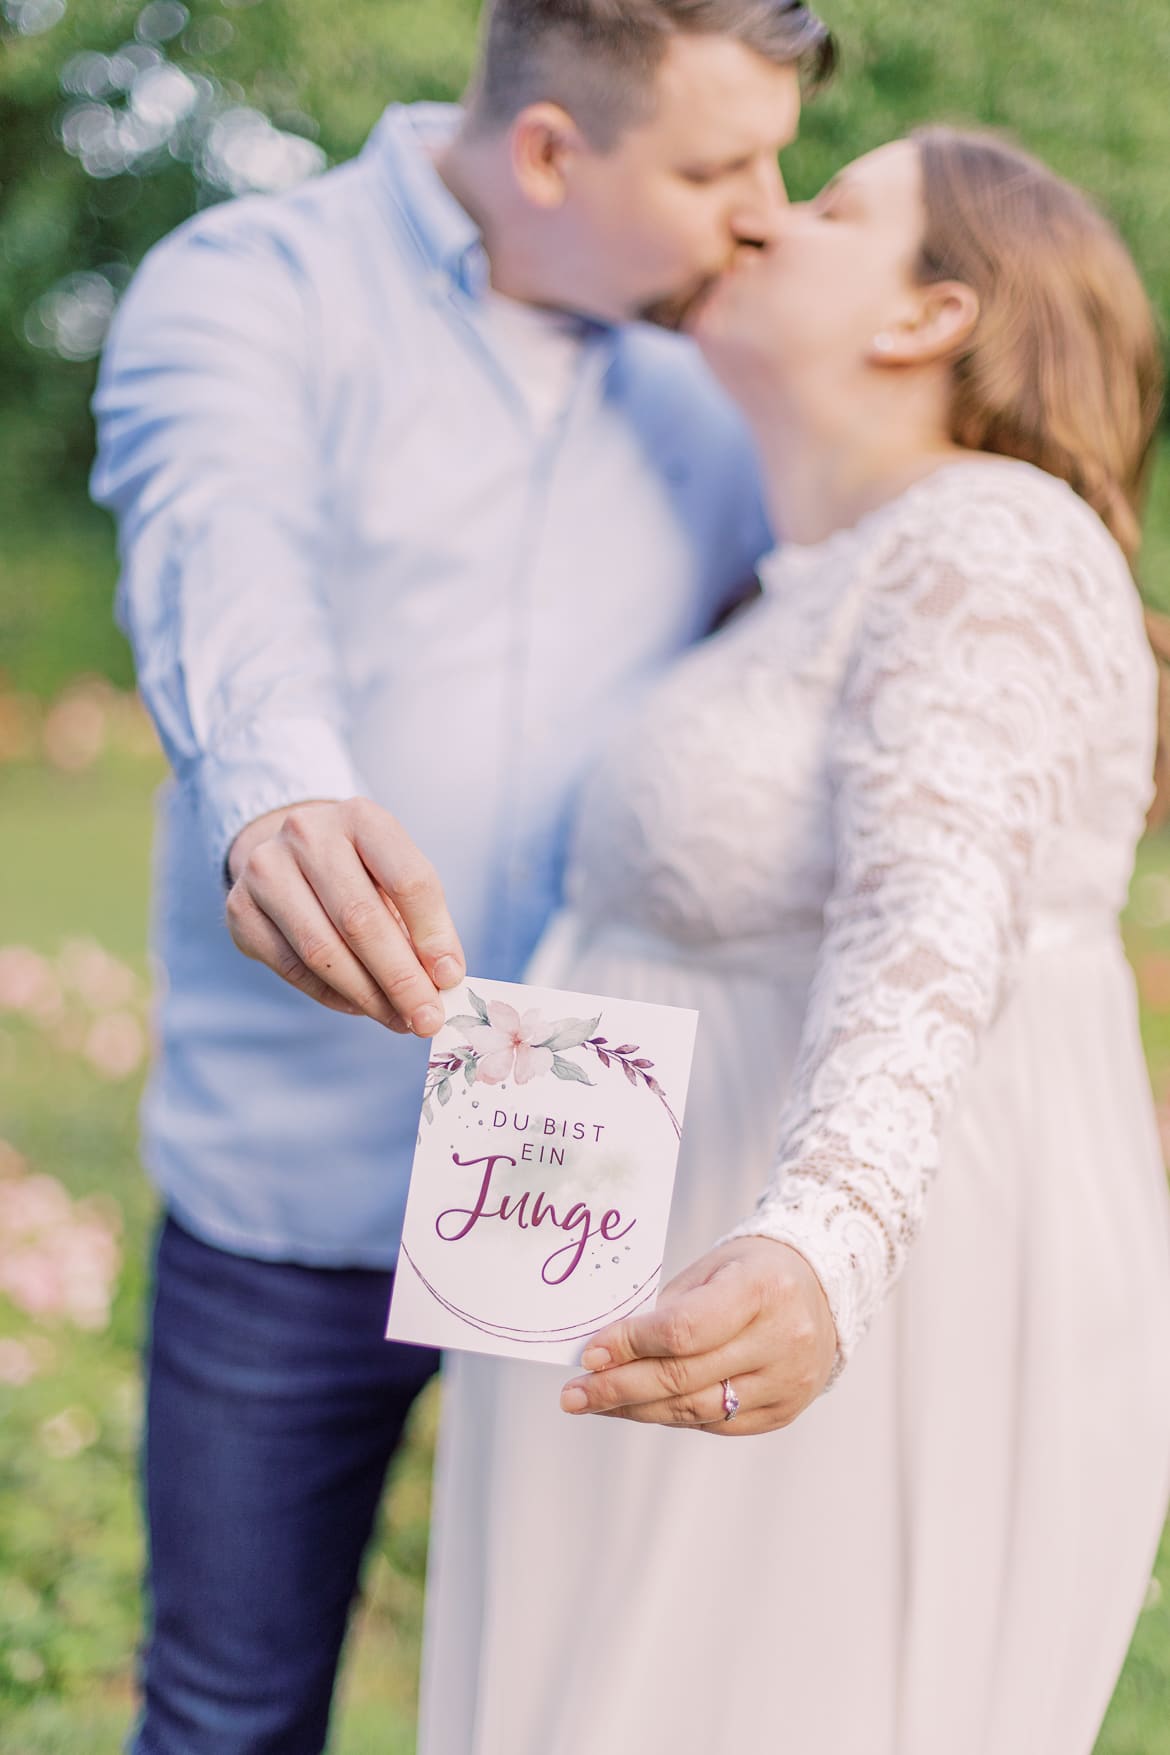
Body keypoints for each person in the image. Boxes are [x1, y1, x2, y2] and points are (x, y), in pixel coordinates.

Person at [89, 2, 834, 1749]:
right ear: (554, 152)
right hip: (292, 1199)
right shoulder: (249, 285)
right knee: (223, 1711)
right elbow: (219, 540)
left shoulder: (719, 377)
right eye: (719, 164)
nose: (770, 210)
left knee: (587, 1714)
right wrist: (277, 796)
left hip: (624, 1206)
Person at [419, 129, 1170, 1755]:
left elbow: (934, 910)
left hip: (829, 1303)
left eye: (831, 208)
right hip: (625, 1279)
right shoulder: (801, 585)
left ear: (928, 317)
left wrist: (823, 1239)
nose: (761, 213)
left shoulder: (990, 540)